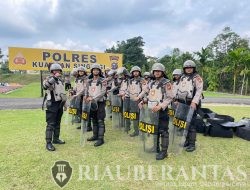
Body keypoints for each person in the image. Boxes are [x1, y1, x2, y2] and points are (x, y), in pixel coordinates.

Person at [137, 63, 174, 160]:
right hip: (152, 110)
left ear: (162, 72)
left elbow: (170, 97)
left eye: (159, 71)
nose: (157, 73)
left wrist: (161, 106)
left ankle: (164, 152)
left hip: (162, 111)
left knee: (163, 131)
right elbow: (149, 94)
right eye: (155, 71)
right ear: (153, 72)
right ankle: (155, 147)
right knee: (155, 129)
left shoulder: (167, 83)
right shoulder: (151, 83)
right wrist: (142, 100)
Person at [174, 60, 203, 152]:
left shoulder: (197, 78)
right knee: (184, 123)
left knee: (191, 124)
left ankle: (192, 144)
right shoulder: (182, 77)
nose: (189, 69)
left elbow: (199, 91)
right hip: (182, 102)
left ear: (193, 68)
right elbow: (178, 89)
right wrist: (176, 99)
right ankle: (186, 141)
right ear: (184, 68)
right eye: (187, 67)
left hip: (192, 103)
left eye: (190, 67)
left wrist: (194, 102)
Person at [42, 63, 67, 151]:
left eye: (58, 70)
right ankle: (48, 143)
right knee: (51, 124)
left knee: (57, 122)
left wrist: (65, 104)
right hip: (52, 104)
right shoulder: (48, 79)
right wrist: (54, 78)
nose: (57, 72)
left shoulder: (60, 81)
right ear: (52, 71)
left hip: (60, 104)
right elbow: (45, 86)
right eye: (55, 70)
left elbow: (63, 93)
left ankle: (56, 139)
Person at [85, 63, 107, 147]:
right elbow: (86, 89)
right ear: (92, 71)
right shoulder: (89, 80)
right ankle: (95, 135)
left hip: (100, 102)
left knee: (100, 120)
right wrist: (86, 96)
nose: (95, 71)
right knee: (93, 120)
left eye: (97, 70)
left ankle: (101, 138)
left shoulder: (103, 80)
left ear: (99, 71)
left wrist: (94, 98)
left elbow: (103, 92)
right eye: (94, 70)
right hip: (91, 103)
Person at [126, 66, 142, 137]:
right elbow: (128, 90)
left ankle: (142, 130)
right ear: (132, 73)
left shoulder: (142, 80)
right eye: (134, 71)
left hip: (140, 101)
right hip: (132, 100)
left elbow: (146, 91)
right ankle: (136, 131)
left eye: (137, 71)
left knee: (142, 116)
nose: (135, 73)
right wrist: (126, 96)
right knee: (134, 116)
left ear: (139, 72)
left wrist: (141, 98)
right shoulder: (130, 80)